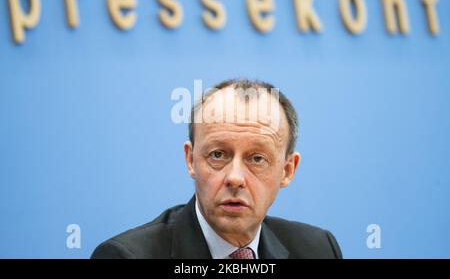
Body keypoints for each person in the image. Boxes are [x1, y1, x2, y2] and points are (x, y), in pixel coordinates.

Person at [91, 78, 342, 259]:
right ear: (191, 160)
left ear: (287, 170)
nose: (235, 178)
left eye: (256, 159)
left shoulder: (318, 250)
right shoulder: (124, 256)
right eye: (218, 155)